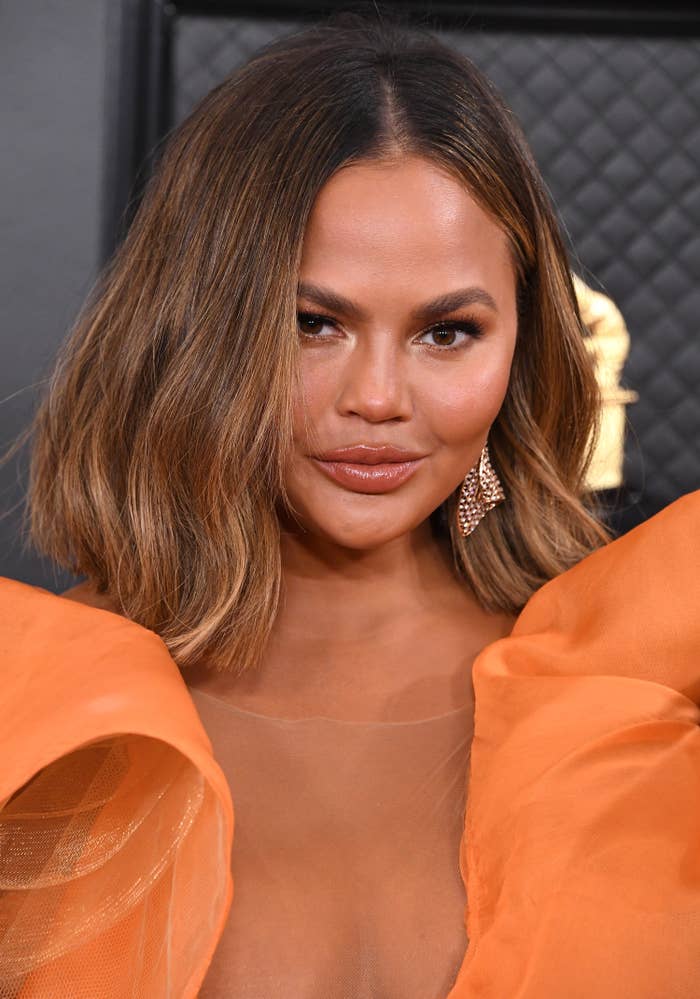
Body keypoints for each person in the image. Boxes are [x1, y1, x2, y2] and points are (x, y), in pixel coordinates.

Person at [1, 9, 698, 998]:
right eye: (312, 323)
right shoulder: (37, 713)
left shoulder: (642, 698)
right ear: (197, 329)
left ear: (522, 348)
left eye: (445, 333)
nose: (377, 397)